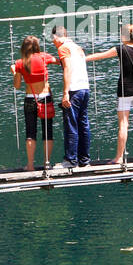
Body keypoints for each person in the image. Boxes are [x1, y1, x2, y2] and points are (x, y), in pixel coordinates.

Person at [88, 24, 133, 163]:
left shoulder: (120, 49)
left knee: (123, 125)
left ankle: (119, 157)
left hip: (125, 91)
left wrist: (83, 58)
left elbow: (100, 56)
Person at [11, 35, 58, 170]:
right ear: (37, 46)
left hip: (30, 99)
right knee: (47, 132)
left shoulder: (20, 63)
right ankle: (46, 163)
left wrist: (14, 71)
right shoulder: (44, 57)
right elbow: (58, 61)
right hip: (45, 97)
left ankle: (30, 165)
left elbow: (17, 85)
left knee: (30, 133)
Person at [51, 24, 91, 167]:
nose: (53, 42)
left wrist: (65, 93)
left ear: (57, 37)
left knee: (71, 125)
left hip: (74, 90)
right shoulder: (77, 47)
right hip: (85, 88)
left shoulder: (63, 48)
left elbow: (67, 68)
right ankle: (84, 160)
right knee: (83, 124)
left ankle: (71, 160)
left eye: (53, 39)